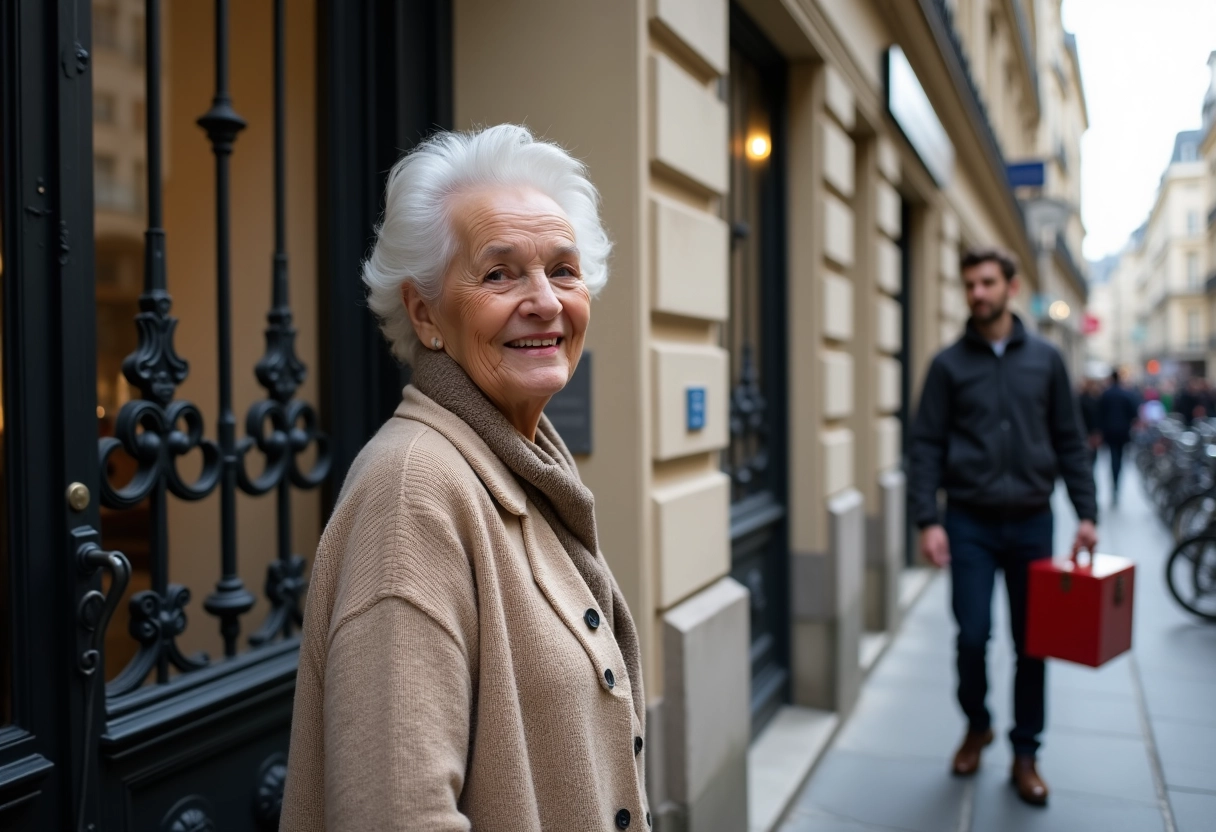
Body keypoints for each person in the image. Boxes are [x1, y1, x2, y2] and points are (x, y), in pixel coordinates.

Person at [280, 125, 649, 831]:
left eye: (564, 270)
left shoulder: (523, 459)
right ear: (425, 315)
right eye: (500, 272)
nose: (544, 300)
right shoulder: (412, 491)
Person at [909, 247, 1098, 807]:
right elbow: (926, 447)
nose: (977, 294)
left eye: (988, 282)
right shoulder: (947, 366)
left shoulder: (1045, 360)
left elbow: (1070, 440)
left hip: (1033, 524)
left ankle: (1025, 752)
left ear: (1010, 287)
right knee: (971, 636)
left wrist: (1086, 513)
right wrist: (928, 519)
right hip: (968, 522)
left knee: (1032, 645)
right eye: (970, 284)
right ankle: (977, 724)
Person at [1098, 370, 1140, 504]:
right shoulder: (1125, 394)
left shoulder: (1106, 394)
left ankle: (1114, 481)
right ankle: (1116, 481)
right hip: (1122, 431)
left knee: (1113, 457)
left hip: (1109, 431)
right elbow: (1134, 412)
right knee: (1119, 458)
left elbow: (1099, 412)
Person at [1078, 378, 1103, 472]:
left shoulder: (1078, 400)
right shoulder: (1093, 401)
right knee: (1091, 457)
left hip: (1083, 432)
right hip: (1090, 432)